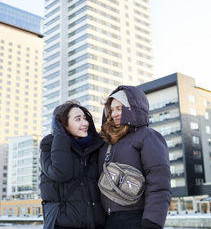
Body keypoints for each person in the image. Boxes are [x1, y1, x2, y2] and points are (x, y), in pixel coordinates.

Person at [98, 85, 171, 229]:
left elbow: (159, 183)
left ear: (133, 108)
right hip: (107, 220)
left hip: (137, 219)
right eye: (112, 110)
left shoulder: (148, 136)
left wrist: (152, 222)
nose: (114, 114)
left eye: (120, 108)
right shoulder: (106, 140)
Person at [40, 101, 105, 229]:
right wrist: (60, 135)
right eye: (78, 119)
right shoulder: (48, 145)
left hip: (96, 223)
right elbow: (60, 173)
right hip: (62, 223)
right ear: (63, 124)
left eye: (85, 118)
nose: (85, 123)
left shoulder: (95, 146)